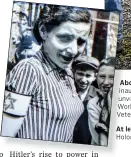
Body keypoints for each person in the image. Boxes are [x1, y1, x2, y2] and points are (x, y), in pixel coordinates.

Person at [1, 4, 92, 142]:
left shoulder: (66, 71)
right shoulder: (28, 70)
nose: (74, 50)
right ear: (43, 31)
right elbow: (5, 139)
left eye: (81, 41)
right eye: (65, 38)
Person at [72, 55, 100, 144]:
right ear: (74, 73)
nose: (83, 80)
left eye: (88, 75)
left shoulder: (99, 97)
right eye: (80, 74)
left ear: (95, 77)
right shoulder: (65, 90)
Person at [88, 57, 115, 146]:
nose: (106, 82)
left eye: (112, 77)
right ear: (96, 77)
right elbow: (99, 140)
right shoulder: (93, 104)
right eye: (102, 76)